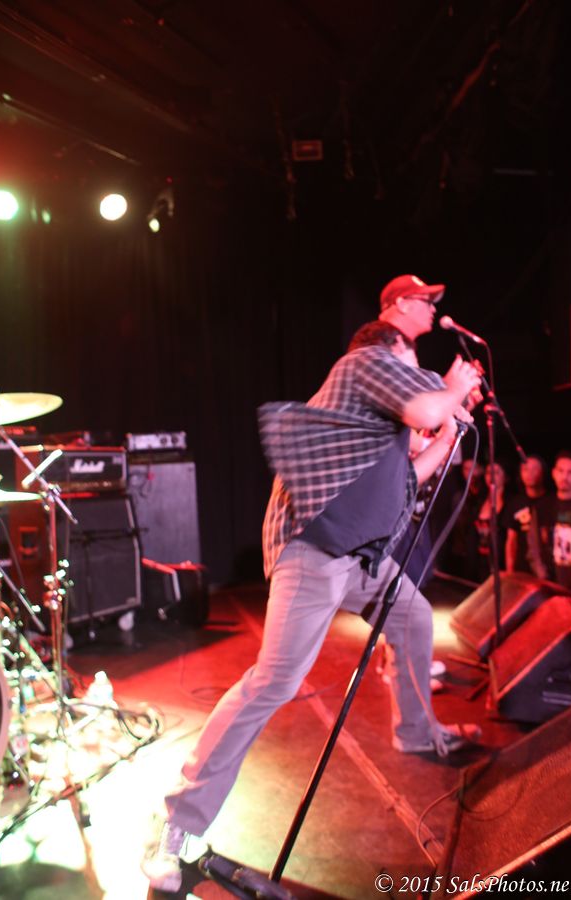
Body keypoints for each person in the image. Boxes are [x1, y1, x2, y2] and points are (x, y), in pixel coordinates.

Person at [142, 274, 482, 893]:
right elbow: (428, 406)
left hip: (360, 558)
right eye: (409, 372)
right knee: (273, 682)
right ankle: (178, 823)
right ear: (387, 354)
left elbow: (415, 471)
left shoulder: (381, 428)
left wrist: (454, 425)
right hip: (315, 551)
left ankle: (415, 731)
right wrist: (451, 391)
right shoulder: (364, 361)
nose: (414, 381)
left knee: (412, 616)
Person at [536, 451, 571, 594]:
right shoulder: (543, 506)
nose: (564, 477)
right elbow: (534, 544)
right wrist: (542, 575)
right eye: (561, 471)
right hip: (551, 582)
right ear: (553, 473)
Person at [504, 455, 548, 578]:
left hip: (547, 569)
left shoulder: (551, 501)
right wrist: (510, 571)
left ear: (543, 472)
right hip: (522, 568)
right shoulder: (515, 503)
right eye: (525, 469)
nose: (530, 474)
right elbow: (511, 540)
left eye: (535, 469)